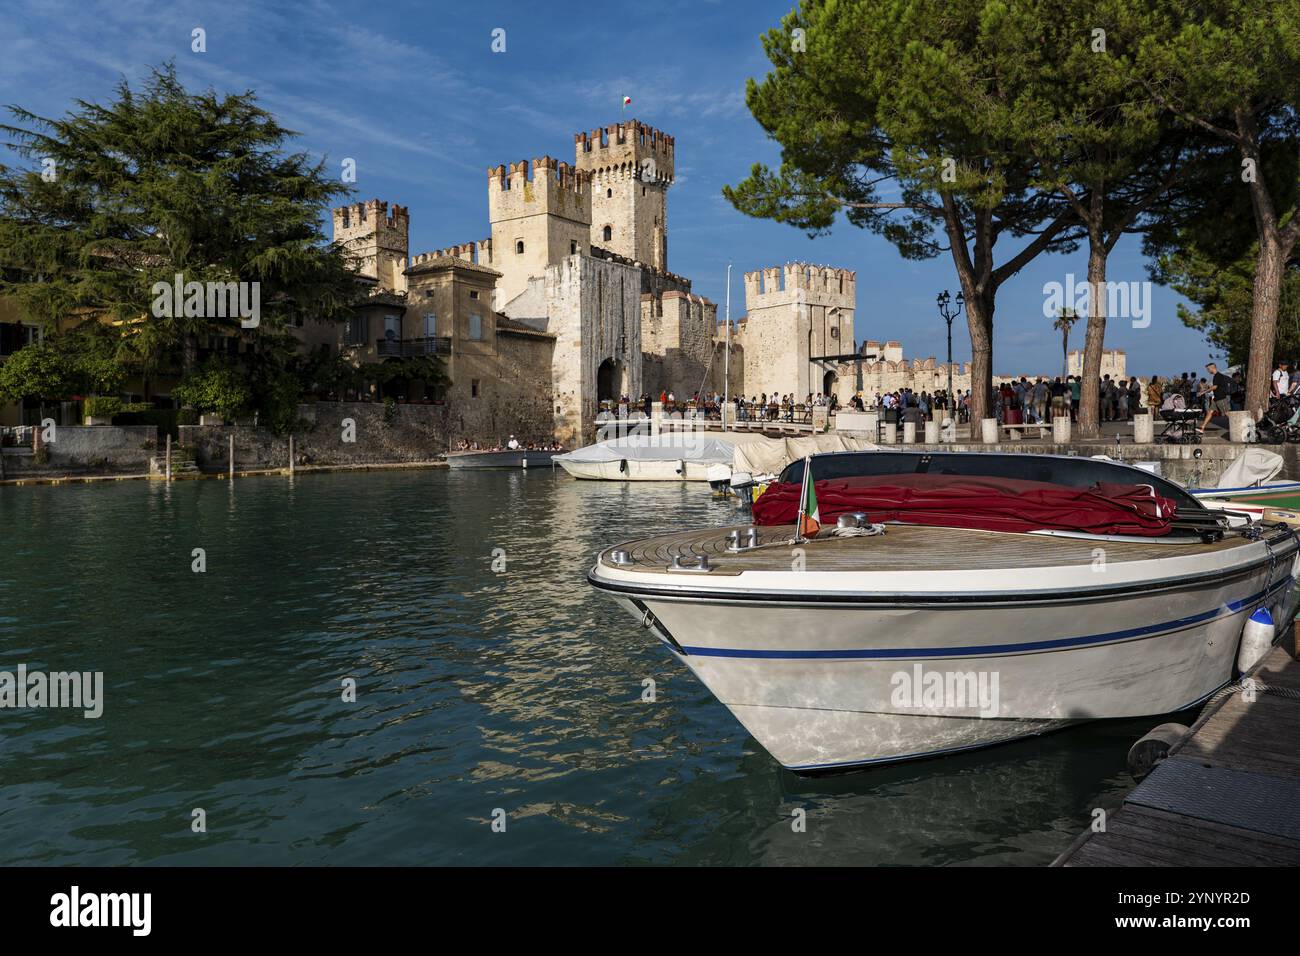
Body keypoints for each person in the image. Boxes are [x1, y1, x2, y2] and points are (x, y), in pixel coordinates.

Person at [1200, 362, 1233, 433]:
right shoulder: (1216, 376)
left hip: (1221, 398)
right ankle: (1202, 428)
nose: (1208, 371)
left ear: (1213, 368)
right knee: (1210, 412)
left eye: (1208, 369)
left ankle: (1238, 426)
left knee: (1227, 414)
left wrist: (1204, 391)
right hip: (1216, 399)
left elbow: (1215, 387)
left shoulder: (1218, 376)